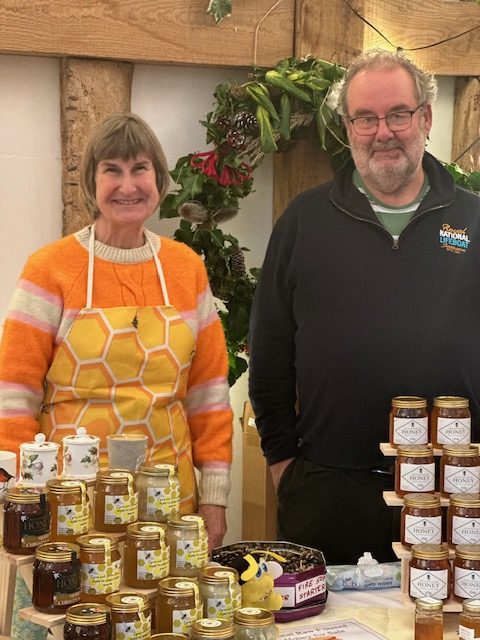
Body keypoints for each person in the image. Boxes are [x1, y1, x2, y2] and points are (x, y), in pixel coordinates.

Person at [248, 49, 480, 565]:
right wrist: (285, 463)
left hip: (455, 498)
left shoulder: (475, 222)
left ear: (425, 118)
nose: (383, 132)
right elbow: (268, 356)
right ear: (348, 127)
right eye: (365, 118)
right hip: (329, 496)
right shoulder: (304, 222)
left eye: (398, 114)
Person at [0, 112, 233, 548]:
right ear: (91, 184)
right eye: (112, 170)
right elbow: (13, 395)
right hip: (69, 508)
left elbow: (208, 396)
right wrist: (21, 497)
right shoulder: (49, 270)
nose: (128, 186)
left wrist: (214, 499)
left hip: (171, 510)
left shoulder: (186, 270)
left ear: (159, 181)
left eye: (140, 169)